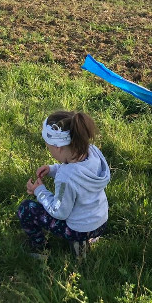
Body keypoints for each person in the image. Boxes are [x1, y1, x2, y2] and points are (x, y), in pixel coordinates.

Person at [17, 110, 110, 259]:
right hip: (100, 223)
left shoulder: (66, 178)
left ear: (58, 147)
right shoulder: (93, 153)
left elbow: (59, 211)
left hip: (79, 230)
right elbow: (77, 170)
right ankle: (88, 240)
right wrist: (52, 169)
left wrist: (39, 191)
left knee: (26, 209)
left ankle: (40, 248)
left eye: (49, 147)